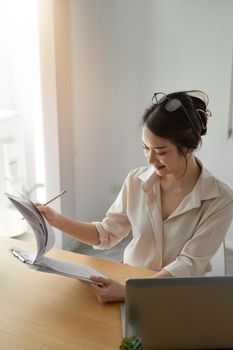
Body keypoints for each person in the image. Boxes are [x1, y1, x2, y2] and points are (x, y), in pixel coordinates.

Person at [37, 90, 233, 303]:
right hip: (130, 280)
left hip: (176, 294)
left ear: (187, 148)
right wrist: (55, 220)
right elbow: (107, 234)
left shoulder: (220, 199)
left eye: (160, 151)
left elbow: (189, 264)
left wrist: (130, 293)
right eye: (145, 147)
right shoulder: (136, 180)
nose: (150, 158)